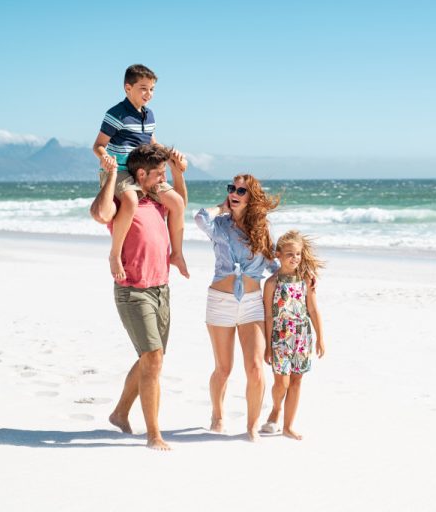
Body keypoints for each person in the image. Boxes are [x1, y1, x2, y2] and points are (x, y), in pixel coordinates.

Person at [91, 143, 188, 451]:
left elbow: (180, 204)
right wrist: (110, 177)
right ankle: (154, 435)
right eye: (158, 174)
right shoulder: (124, 202)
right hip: (133, 290)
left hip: (161, 288)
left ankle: (120, 413)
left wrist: (176, 172)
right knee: (153, 359)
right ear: (141, 174)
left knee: (151, 359)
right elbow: (100, 213)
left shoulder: (155, 200)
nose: (163, 180)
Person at [194, 175, 280, 441]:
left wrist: (298, 277)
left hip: (253, 303)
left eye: (241, 190)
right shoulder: (218, 224)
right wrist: (221, 207)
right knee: (224, 368)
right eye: (231, 188)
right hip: (220, 302)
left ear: (251, 196)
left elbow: (272, 265)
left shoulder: (263, 228)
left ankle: (252, 426)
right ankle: (218, 415)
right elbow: (199, 218)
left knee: (255, 366)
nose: (234, 193)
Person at [90, 63, 189, 281]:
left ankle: (177, 254)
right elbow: (98, 145)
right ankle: (115, 255)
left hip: (144, 171)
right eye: (143, 88)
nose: (149, 94)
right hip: (121, 170)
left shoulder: (149, 115)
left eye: (152, 89)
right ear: (128, 88)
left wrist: (172, 156)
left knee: (177, 202)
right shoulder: (115, 114)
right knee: (131, 200)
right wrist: (105, 157)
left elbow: (150, 142)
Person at [260, 231, 325, 440]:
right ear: (278, 254)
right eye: (289, 254)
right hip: (280, 337)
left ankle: (288, 426)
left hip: (302, 337)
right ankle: (276, 408)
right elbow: (268, 315)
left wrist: (320, 337)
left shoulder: (306, 280)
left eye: (297, 254)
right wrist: (268, 346)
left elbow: (313, 311)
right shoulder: (271, 283)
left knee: (296, 382)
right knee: (282, 383)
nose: (294, 258)